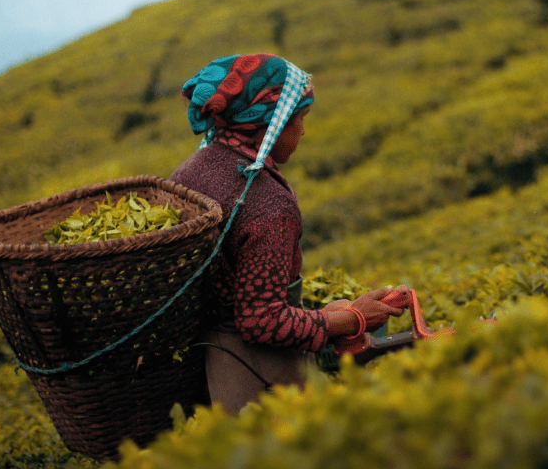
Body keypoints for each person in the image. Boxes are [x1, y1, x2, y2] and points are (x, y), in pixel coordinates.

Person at [168, 53, 404, 414]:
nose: (303, 130)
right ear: (269, 124)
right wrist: (352, 319)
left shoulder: (189, 171)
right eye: (300, 118)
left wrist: (328, 315)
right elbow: (260, 320)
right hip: (258, 377)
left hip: (204, 365)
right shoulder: (267, 204)